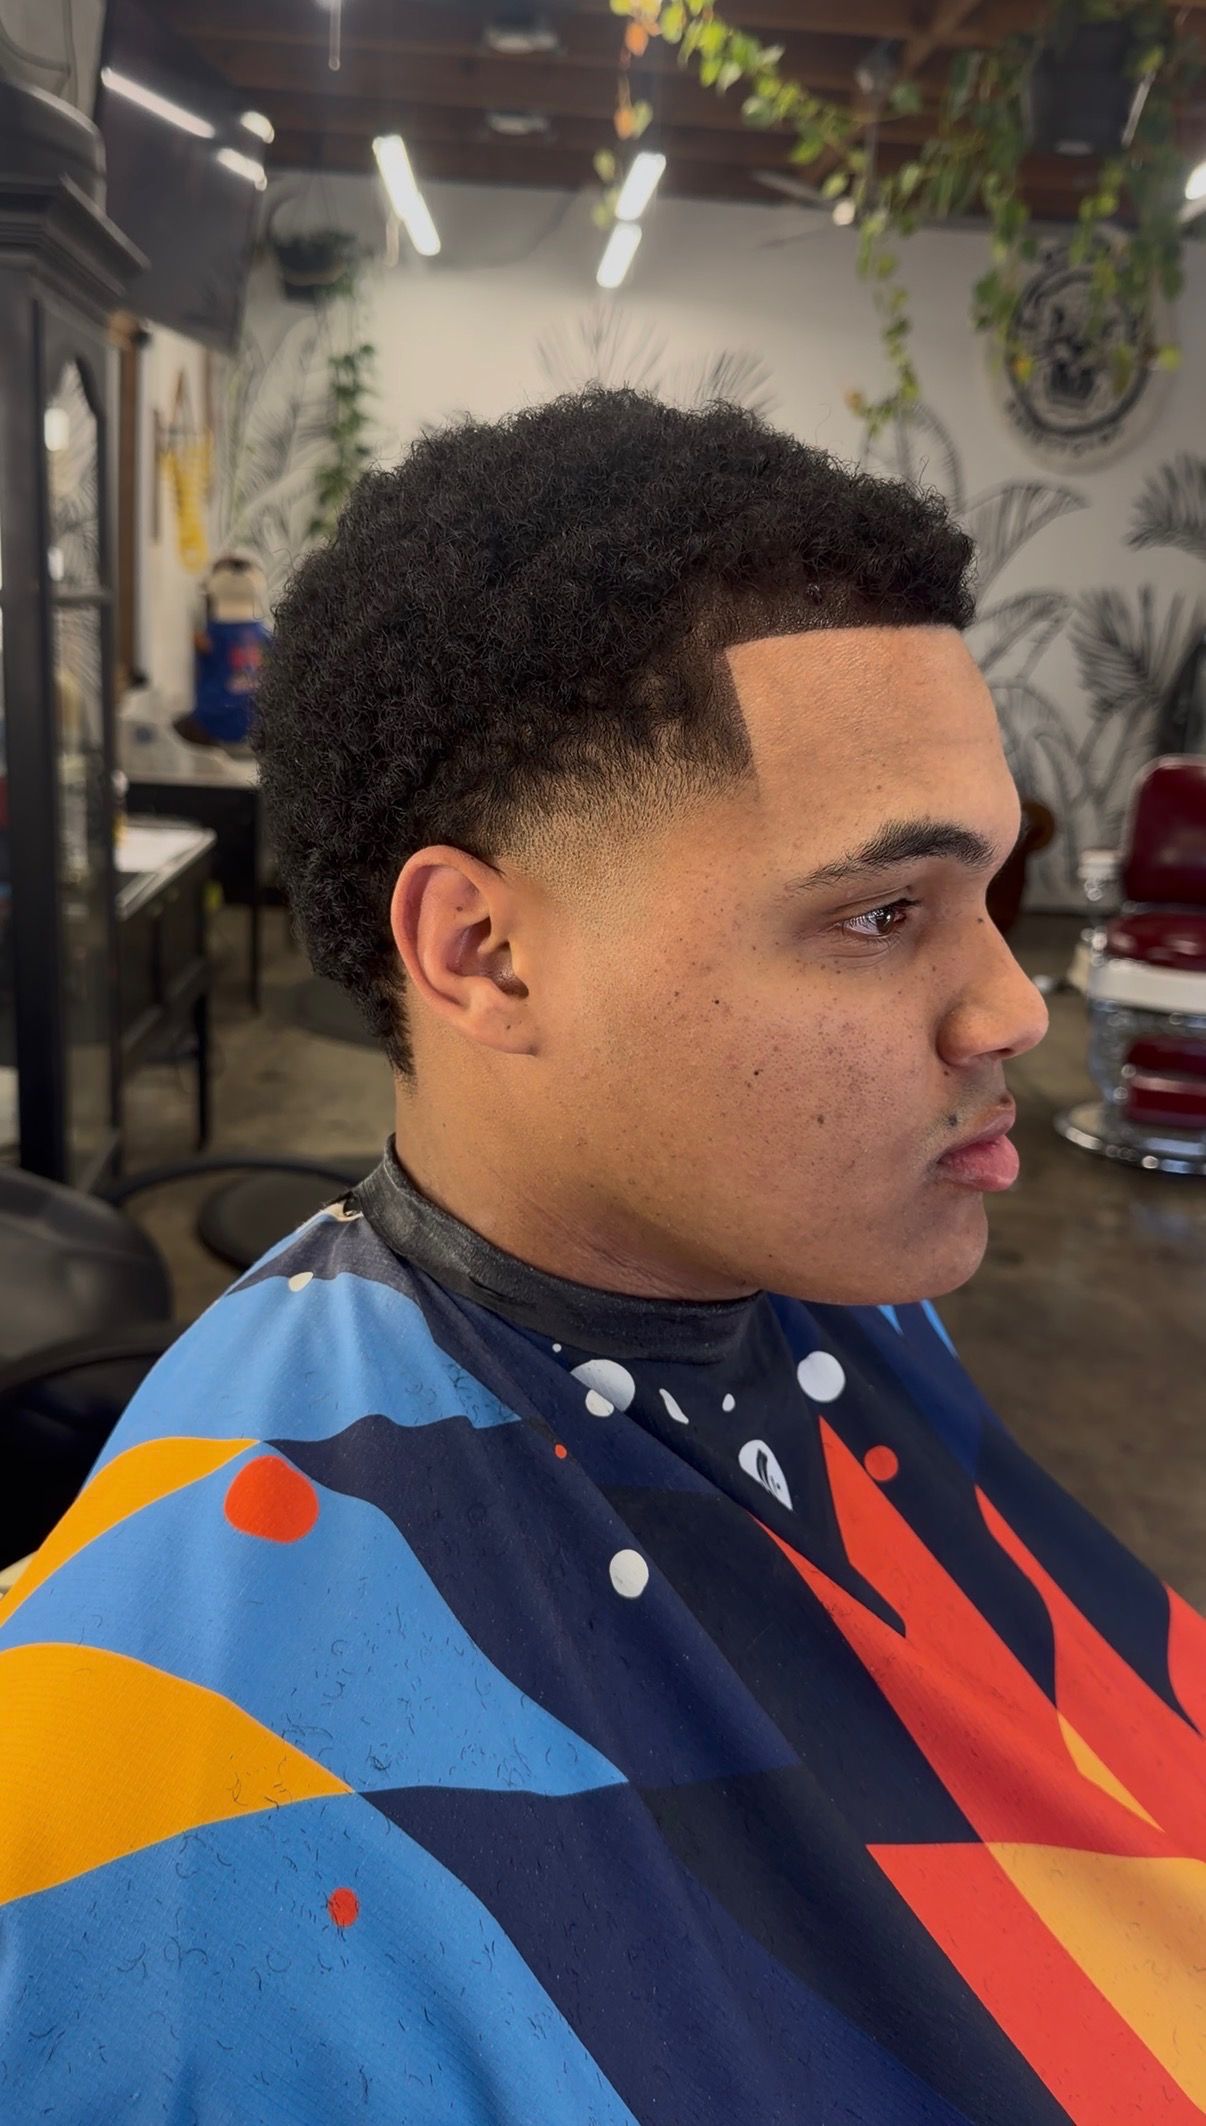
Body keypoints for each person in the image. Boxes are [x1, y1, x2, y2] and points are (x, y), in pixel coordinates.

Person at [2, 389, 1202, 2125]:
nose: (1016, 1004)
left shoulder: (815, 1296)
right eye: (879, 916)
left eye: (995, 900)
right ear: (481, 950)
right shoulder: (179, 1758)